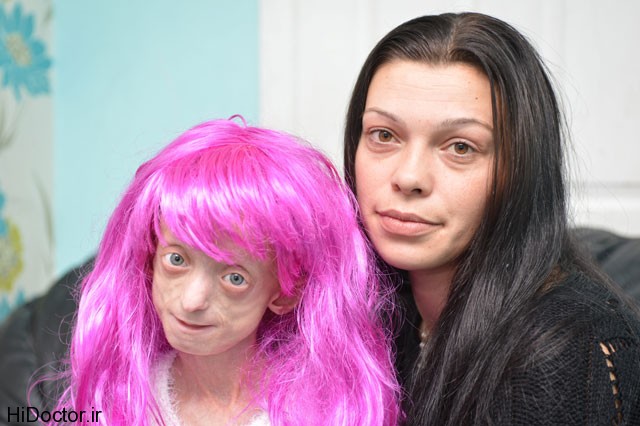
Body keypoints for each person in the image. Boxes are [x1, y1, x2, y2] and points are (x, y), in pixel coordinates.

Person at [343, 12, 640, 425]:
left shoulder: (561, 351)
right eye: (384, 135)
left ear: (518, 170)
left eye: (460, 147)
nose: (408, 177)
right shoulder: (375, 311)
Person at [48, 118, 400, 425]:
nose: (192, 301)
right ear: (150, 253)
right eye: (177, 260)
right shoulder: (120, 397)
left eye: (234, 278)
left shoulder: (317, 412)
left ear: (285, 292)